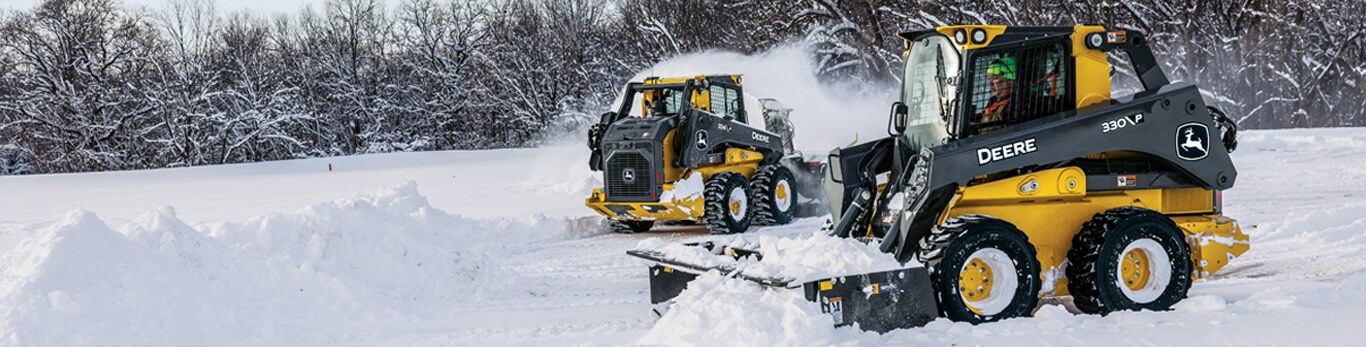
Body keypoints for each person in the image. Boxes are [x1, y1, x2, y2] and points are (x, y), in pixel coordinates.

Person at [981, 56, 1017, 125]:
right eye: (989, 79)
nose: (990, 83)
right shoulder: (993, 101)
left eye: (994, 78)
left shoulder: (1020, 103)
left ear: (1010, 80)